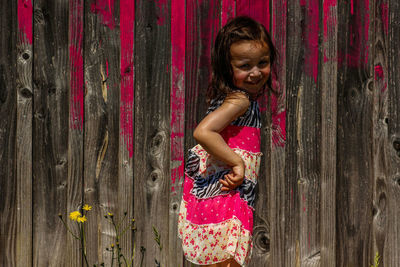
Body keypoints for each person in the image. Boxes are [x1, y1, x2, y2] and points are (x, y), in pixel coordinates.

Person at [178, 16, 277, 267]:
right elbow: (203, 132)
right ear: (227, 67)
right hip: (224, 196)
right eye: (245, 66)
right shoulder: (240, 100)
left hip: (218, 194)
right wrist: (237, 163)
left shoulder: (234, 98)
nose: (256, 72)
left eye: (262, 63)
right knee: (228, 260)